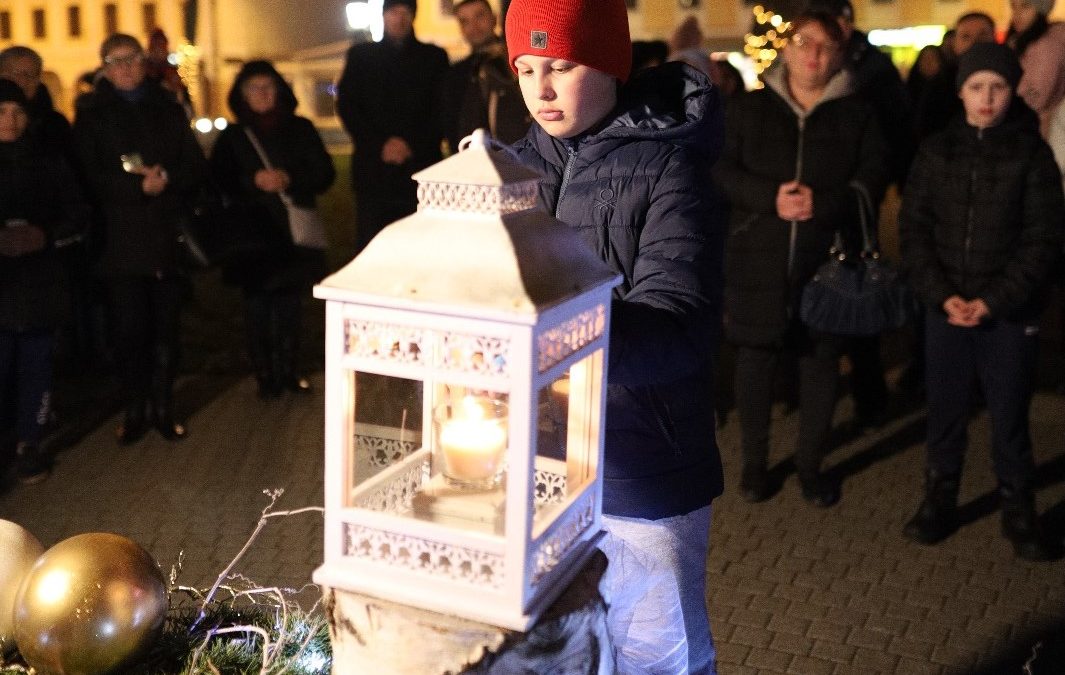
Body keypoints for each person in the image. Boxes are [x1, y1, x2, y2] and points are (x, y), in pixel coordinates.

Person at [505, 0, 725, 671]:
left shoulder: (670, 169)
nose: (539, 88)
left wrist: (552, 329)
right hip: (535, 469)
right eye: (525, 67)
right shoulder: (508, 174)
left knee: (657, 653)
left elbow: (678, 322)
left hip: (641, 468)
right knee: (555, 650)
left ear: (607, 63)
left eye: (561, 66)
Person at [714, 10, 889, 507]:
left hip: (826, 263)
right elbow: (719, 170)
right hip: (756, 258)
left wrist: (827, 203)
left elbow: (873, 175)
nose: (814, 54)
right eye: (805, 43)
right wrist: (769, 197)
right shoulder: (749, 109)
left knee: (820, 365)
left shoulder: (858, 113)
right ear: (786, 48)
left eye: (825, 47)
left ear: (838, 54)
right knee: (754, 364)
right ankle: (753, 466)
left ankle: (811, 466)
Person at [899, 43, 1064, 562]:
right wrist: (943, 294)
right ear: (960, 92)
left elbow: (1042, 238)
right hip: (945, 308)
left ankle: (1019, 506)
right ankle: (939, 496)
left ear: (1012, 90)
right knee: (946, 409)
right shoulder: (937, 150)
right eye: (976, 87)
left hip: (1007, 315)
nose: (987, 98)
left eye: (997, 87)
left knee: (1009, 412)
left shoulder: (1030, 154)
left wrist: (993, 301)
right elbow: (914, 230)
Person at [72, 34, 207, 445]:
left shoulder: (167, 106)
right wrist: (135, 189)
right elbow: (87, 173)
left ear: (143, 63)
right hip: (119, 241)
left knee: (166, 329)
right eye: (115, 62)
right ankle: (136, 408)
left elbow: (194, 163)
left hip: (165, 235)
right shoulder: (92, 114)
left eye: (131, 59)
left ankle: (164, 408)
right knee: (128, 332)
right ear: (104, 68)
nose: (125, 68)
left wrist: (167, 179)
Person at [209, 61, 335, 399]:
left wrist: (289, 177)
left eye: (269, 87)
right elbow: (216, 181)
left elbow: (324, 173)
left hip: (292, 233)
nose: (262, 94)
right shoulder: (233, 137)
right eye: (254, 88)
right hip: (252, 236)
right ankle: (265, 375)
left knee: (290, 306)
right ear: (242, 95)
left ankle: (289, 371)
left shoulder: (301, 129)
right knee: (257, 307)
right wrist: (252, 181)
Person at [0, 78, 89, 483]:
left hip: (39, 286)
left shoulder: (47, 160)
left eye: (17, 112)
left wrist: (45, 235)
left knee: (36, 369)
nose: (9, 120)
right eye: (1, 112)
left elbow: (78, 214)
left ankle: (29, 443)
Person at [336, 0, 448, 255]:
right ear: (384, 16)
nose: (399, 18)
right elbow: (349, 107)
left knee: (421, 247)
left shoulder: (433, 58)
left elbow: (441, 109)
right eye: (393, 12)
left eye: (405, 12)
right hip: (373, 171)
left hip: (420, 168)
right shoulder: (361, 56)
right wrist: (380, 145)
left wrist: (412, 145)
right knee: (373, 248)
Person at [439, 0, 530, 152]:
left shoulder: (517, 60)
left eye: (479, 16)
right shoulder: (455, 75)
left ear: (494, 18)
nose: (474, 26)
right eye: (464, 21)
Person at [915, 12, 996, 140]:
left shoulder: (1011, 81)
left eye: (982, 35)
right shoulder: (939, 86)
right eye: (965, 37)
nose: (975, 43)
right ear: (955, 44)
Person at [1006, 0, 1065, 139]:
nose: (1017, 14)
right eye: (1014, 7)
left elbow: (1038, 95)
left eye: (1025, 6)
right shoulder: (1020, 42)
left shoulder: (1049, 44)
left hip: (1041, 130)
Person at [906, 45, 945, 112]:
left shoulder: (947, 92)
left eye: (932, 59)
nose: (928, 63)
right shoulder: (909, 90)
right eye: (925, 58)